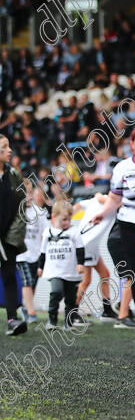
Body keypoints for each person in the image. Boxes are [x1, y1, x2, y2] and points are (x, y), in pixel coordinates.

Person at [92, 127, 135, 332]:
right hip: (128, 226)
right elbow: (114, 199)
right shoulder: (122, 168)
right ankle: (132, 315)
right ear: (131, 145)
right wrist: (103, 214)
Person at [39, 201, 86, 330]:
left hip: (71, 272)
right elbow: (43, 252)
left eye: (69, 219)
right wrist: (40, 267)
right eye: (64, 219)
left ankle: (68, 322)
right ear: (53, 217)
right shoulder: (47, 233)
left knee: (71, 298)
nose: (67, 222)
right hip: (54, 271)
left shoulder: (74, 232)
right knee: (56, 292)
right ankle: (52, 319)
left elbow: (80, 250)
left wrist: (81, 264)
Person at [73, 193, 119, 323]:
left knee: (105, 274)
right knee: (86, 281)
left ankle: (107, 310)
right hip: (86, 244)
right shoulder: (111, 202)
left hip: (91, 245)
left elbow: (78, 205)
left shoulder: (99, 200)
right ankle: (73, 313)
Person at [1, 134, 28, 335]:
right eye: (4, 147)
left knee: (9, 276)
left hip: (7, 238)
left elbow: (21, 206)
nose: (10, 150)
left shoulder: (13, 174)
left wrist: (12, 238)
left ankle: (12, 319)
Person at [16, 179, 49, 324]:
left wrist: (44, 252)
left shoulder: (39, 212)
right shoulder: (16, 211)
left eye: (30, 193)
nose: (28, 196)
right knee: (27, 282)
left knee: (33, 283)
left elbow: (45, 233)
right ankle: (31, 313)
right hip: (21, 255)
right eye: (24, 194)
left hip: (36, 254)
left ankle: (25, 307)